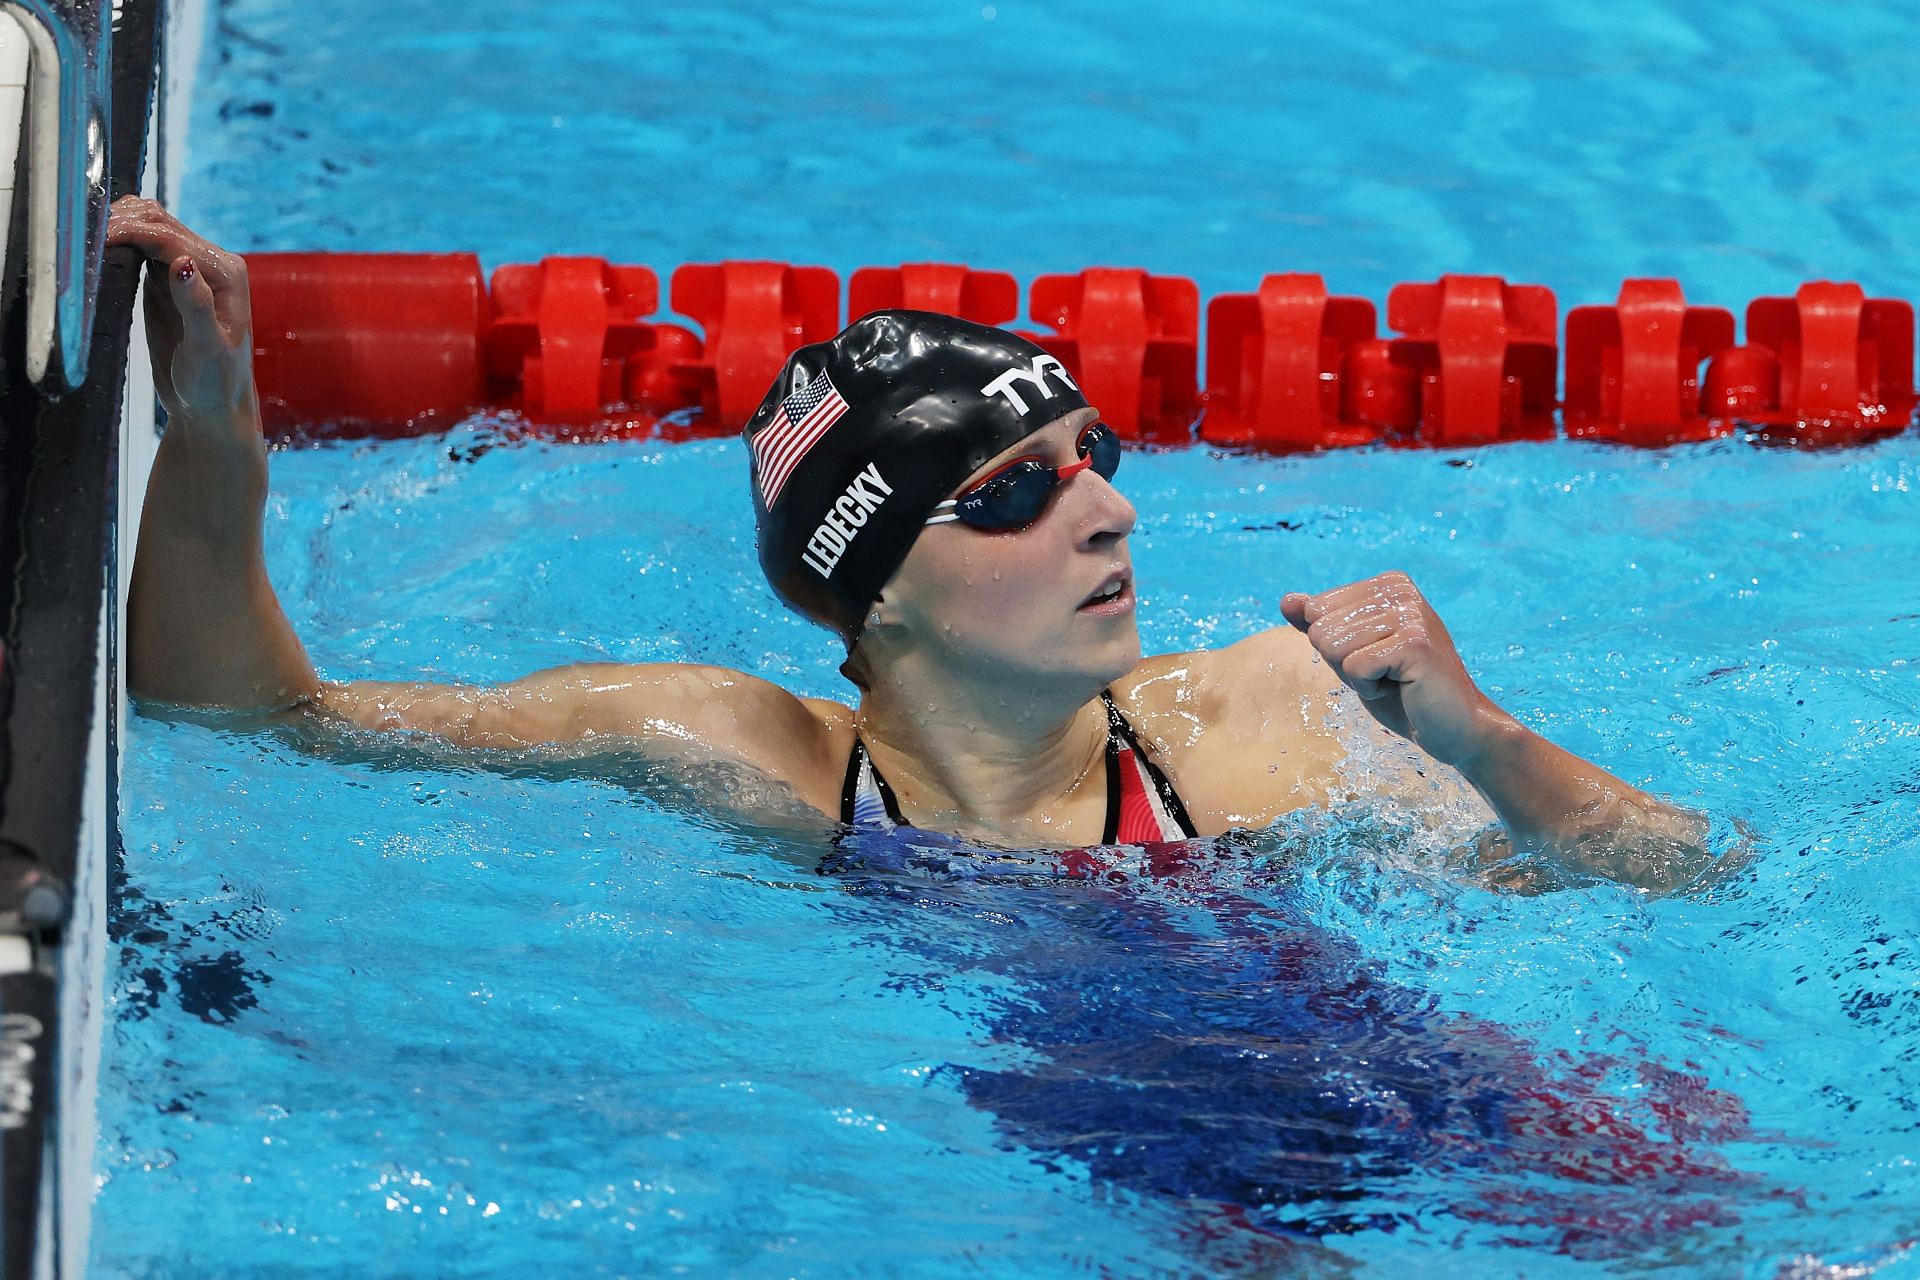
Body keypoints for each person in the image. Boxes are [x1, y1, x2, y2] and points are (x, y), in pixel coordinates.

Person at [108, 196, 1712, 890]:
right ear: (873, 593)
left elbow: (1683, 881)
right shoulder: (742, 755)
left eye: (1095, 456)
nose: (1110, 509)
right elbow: (250, 717)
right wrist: (217, 429)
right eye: (1013, 490)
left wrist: (1488, 745)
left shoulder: (1267, 715)